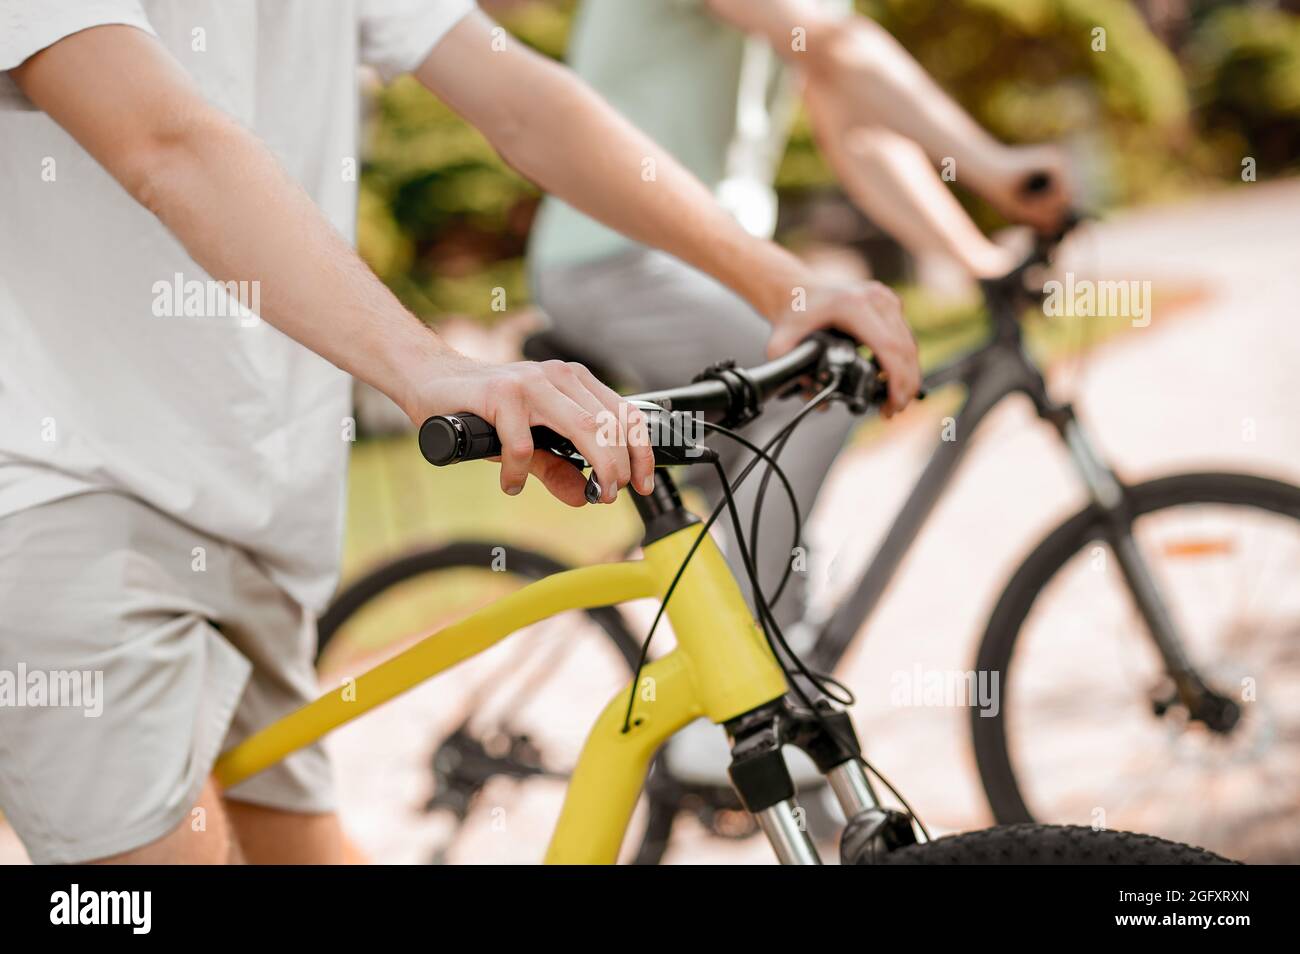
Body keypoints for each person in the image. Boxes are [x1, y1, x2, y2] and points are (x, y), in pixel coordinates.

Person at [0, 0, 919, 865]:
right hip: (73, 496)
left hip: (254, 502)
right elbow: (165, 142)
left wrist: (776, 282)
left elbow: (521, 99)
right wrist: (431, 367)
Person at [528, 0, 1074, 633]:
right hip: (613, 259)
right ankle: (752, 682)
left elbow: (855, 125)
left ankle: (748, 655)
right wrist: (993, 166)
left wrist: (972, 256)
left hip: (705, 265)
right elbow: (837, 45)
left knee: (760, 455)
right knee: (815, 383)